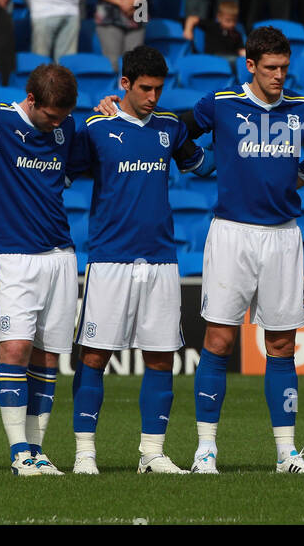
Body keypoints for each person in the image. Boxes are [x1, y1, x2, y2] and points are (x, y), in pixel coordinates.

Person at [99, 28, 304, 473]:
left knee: (282, 344)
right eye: (270, 68)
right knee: (219, 341)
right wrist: (114, 108)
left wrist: (301, 178)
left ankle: (287, 452)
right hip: (232, 235)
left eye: (284, 67)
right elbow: (166, 128)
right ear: (250, 66)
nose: (279, 76)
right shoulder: (220, 104)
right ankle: (206, 448)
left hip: (284, 235)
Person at [66, 46, 211, 474]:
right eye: (144, 88)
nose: (152, 96)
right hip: (110, 259)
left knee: (162, 356)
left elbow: (201, 166)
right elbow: (59, 167)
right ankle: (85, 454)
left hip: (162, 261)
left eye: (159, 89)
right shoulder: (95, 127)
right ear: (124, 84)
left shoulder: (170, 126)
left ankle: (152, 453)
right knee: (94, 356)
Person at [0, 65, 84, 476]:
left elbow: (91, 128)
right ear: (31, 99)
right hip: (13, 256)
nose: (57, 124)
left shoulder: (69, 125)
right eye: (51, 116)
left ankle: (38, 450)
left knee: (47, 355)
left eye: (63, 117)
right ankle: (18, 451)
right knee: (15, 349)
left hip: (61, 255)